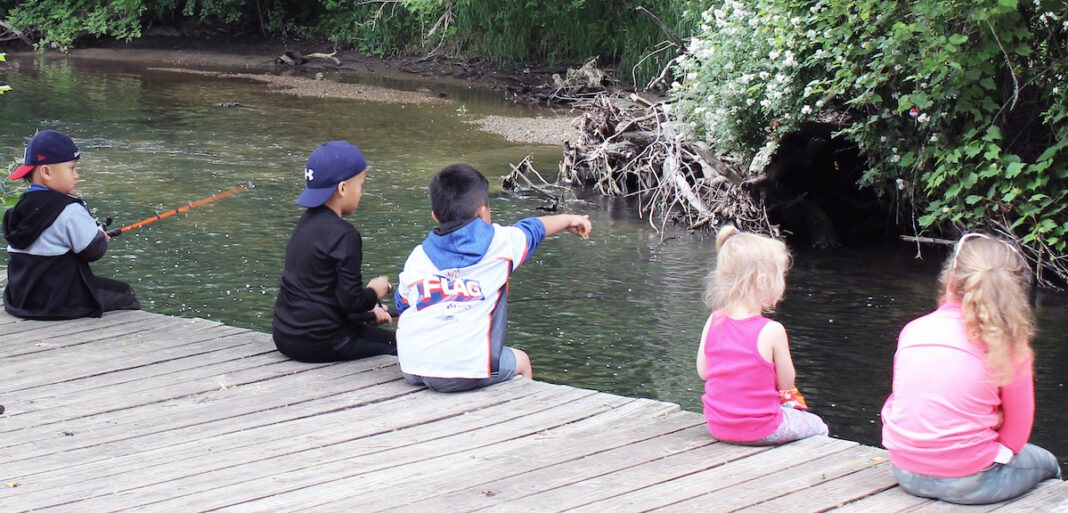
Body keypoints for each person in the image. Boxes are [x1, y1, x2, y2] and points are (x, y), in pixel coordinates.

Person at [881, 232, 1062, 505]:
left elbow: (902, 403)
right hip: (973, 482)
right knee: (1047, 463)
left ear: (950, 283)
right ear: (1013, 293)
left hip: (906, 472)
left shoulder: (913, 329)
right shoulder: (1010, 344)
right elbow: (1016, 436)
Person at [394, 163, 592, 393]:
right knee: (522, 361)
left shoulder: (418, 256)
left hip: (412, 366)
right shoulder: (501, 243)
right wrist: (569, 219)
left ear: (435, 216)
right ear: (482, 212)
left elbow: (402, 304)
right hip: (462, 371)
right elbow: (535, 227)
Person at [696, 225, 828, 444]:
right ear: (762, 283)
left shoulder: (714, 320)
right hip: (762, 429)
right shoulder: (772, 330)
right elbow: (786, 383)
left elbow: (704, 372)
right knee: (818, 426)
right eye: (781, 276)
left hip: (717, 426)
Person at [272, 141, 395, 363]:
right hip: (323, 342)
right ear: (342, 189)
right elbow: (351, 301)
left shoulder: (303, 226)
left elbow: (323, 297)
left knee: (384, 339)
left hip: (285, 337)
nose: (360, 193)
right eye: (361, 185)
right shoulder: (345, 236)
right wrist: (375, 292)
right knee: (400, 347)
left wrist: (367, 316)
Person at [3, 129, 139, 319]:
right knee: (125, 293)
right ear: (46, 172)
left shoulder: (19, 208)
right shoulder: (69, 209)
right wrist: (99, 236)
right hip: (60, 301)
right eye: (71, 168)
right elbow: (93, 251)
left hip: (21, 300)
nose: (76, 176)